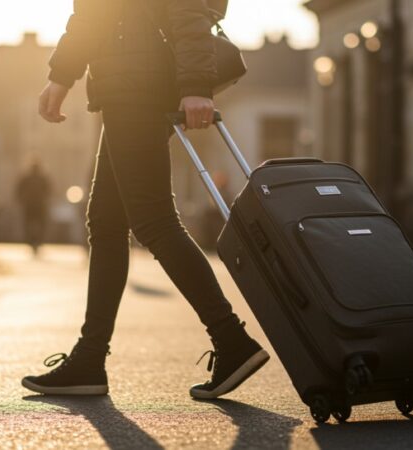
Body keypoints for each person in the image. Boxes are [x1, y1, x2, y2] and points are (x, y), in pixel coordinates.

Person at [21, 0, 269, 398]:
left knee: (153, 220)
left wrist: (195, 86)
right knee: (106, 222)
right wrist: (61, 75)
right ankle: (89, 358)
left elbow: (190, 8)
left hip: (137, 82)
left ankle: (232, 340)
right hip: (129, 79)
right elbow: (95, 12)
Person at [16, 161, 52, 254]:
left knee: (33, 223)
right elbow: (49, 190)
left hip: (33, 204)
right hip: (35, 204)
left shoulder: (31, 178)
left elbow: (48, 190)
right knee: (35, 223)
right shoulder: (39, 178)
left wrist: (21, 199)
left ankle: (34, 241)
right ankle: (34, 241)